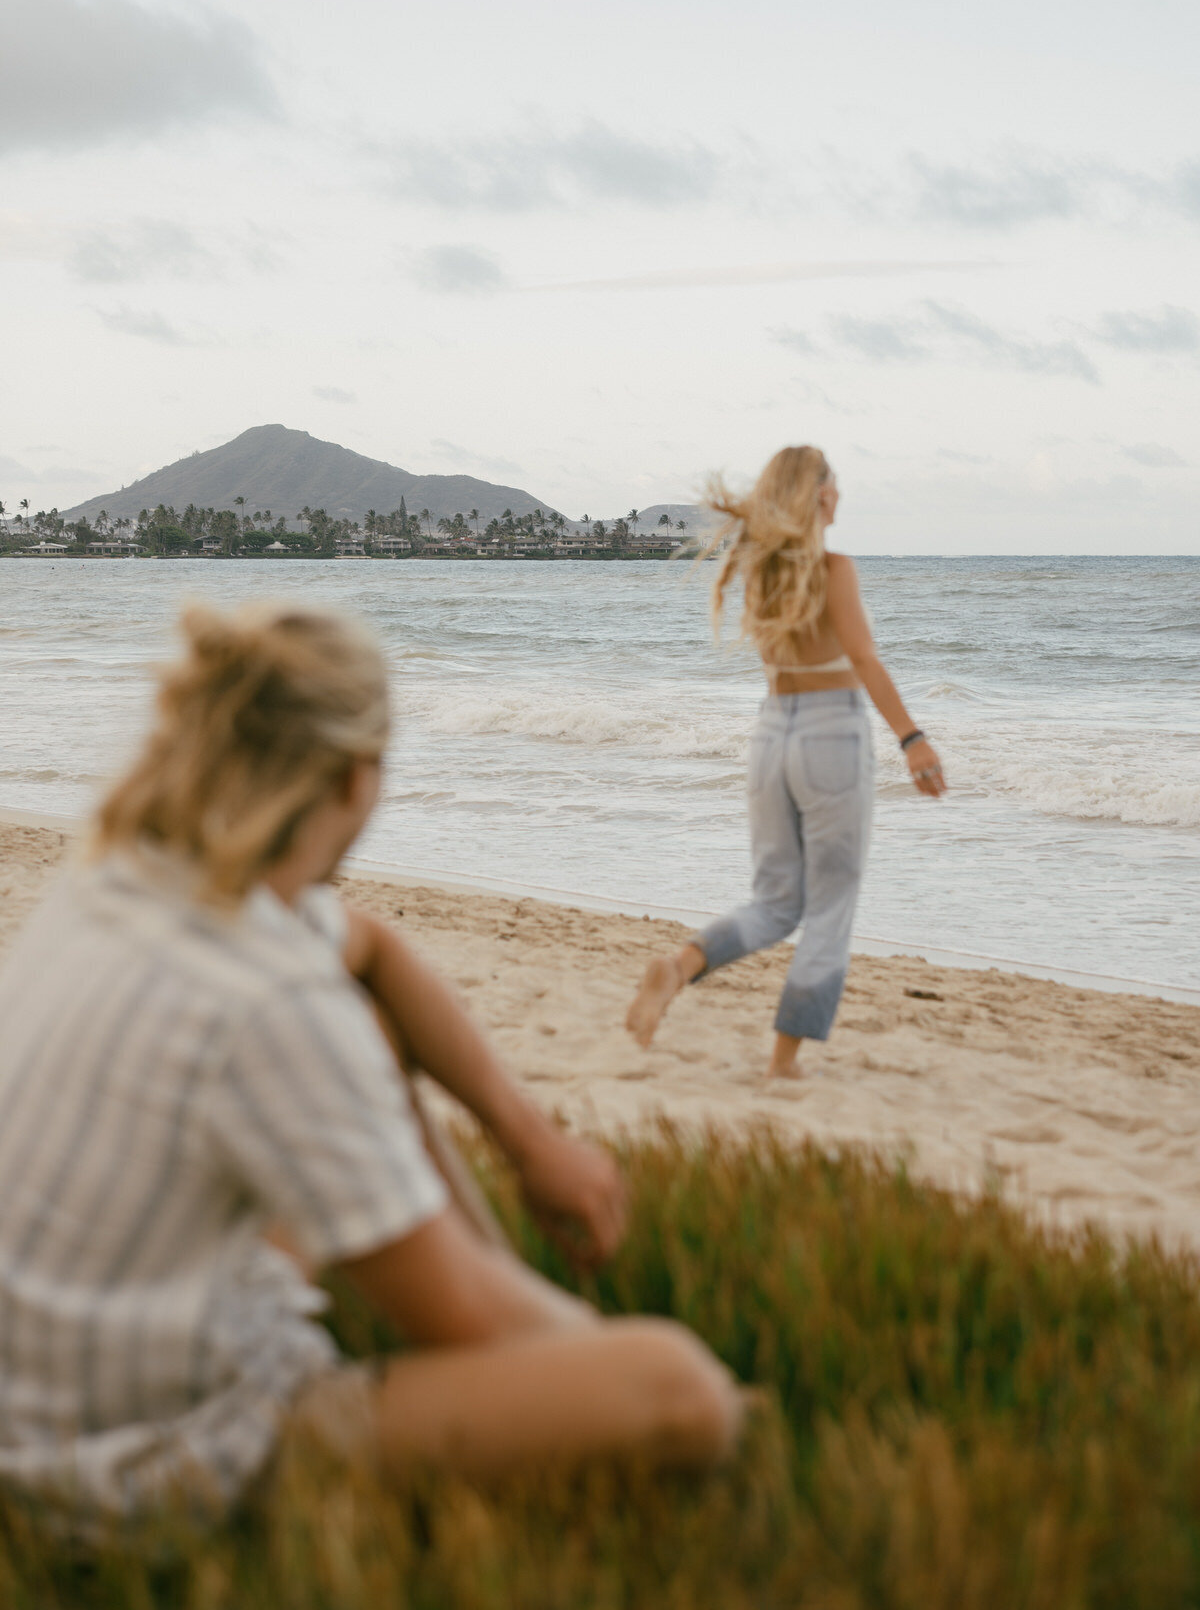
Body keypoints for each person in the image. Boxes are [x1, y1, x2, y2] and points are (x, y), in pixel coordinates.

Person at [0, 603, 741, 1537]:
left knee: (376, 1031)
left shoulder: (124, 870)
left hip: (44, 1378)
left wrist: (529, 1140)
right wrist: (591, 1369)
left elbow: (374, 950)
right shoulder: (271, 1000)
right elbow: (464, 1321)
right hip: (122, 1462)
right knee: (679, 1394)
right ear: (357, 779)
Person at [626, 445, 946, 1078]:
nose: (841, 492)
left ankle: (679, 968)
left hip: (772, 735)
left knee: (776, 902)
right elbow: (863, 661)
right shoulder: (836, 570)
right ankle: (783, 1061)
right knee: (829, 906)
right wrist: (913, 738)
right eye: (835, 483)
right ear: (820, 495)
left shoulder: (758, 572)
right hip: (831, 737)